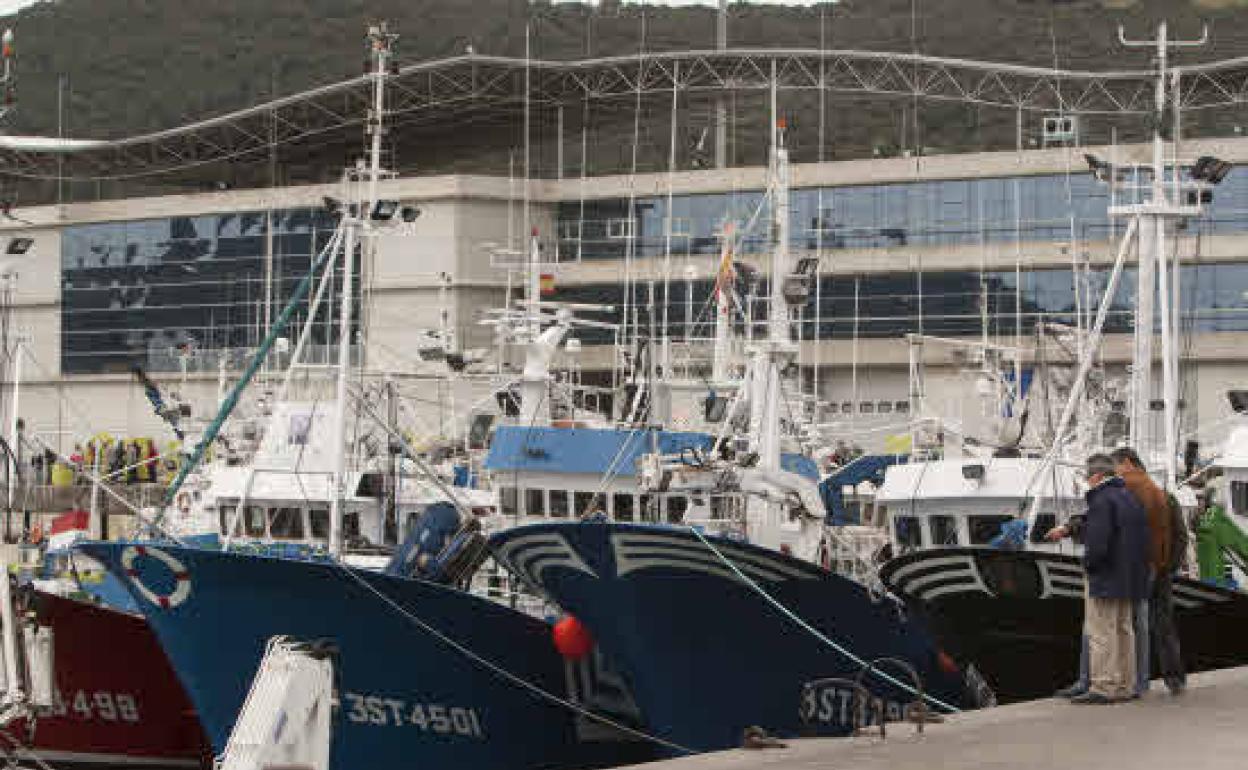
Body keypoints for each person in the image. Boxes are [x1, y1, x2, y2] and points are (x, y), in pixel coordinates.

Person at [1048, 453, 1150, 704]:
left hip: (1106, 576)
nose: (1087, 483)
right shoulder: (1129, 497)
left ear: (1096, 476)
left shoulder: (1102, 500)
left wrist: (1088, 564)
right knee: (1124, 630)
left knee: (1101, 631)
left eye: (1088, 478)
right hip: (1130, 576)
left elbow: (1098, 542)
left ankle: (1103, 686)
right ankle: (1126, 684)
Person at [1110, 447, 1186, 696]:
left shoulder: (1129, 491)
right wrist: (1171, 566)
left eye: (1117, 466)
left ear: (1129, 463)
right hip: (1162, 568)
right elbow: (1181, 535)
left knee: (1133, 624)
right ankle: (1175, 678)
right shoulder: (1164, 495)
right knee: (1164, 624)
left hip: (1139, 568)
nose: (1116, 472)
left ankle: (1135, 680)